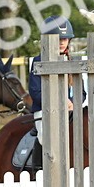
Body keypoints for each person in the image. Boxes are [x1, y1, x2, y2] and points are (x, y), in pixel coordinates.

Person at [22, 16, 77, 170]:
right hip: (45, 111)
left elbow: (82, 92)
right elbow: (35, 92)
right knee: (44, 136)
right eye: (58, 38)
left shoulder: (72, 61)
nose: (62, 42)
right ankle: (39, 169)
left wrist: (73, 101)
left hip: (71, 110)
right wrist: (60, 101)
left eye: (65, 39)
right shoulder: (37, 61)